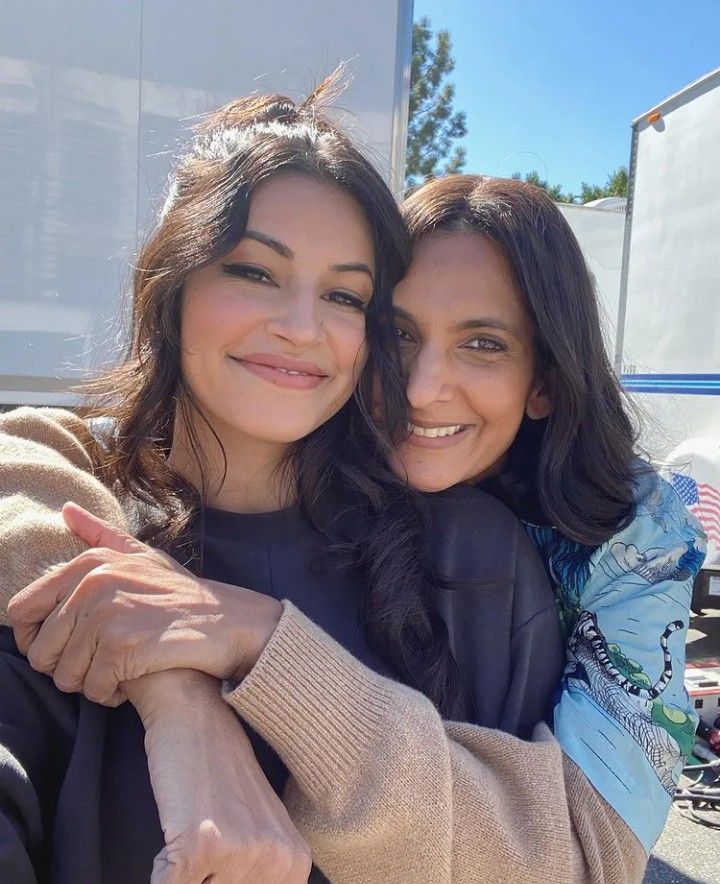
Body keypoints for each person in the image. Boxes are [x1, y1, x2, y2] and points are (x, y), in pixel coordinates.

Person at [0, 86, 564, 883]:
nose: (302, 326)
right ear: (173, 284)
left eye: (343, 295)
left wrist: (271, 653)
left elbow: (545, 859)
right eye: (255, 272)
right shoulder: (58, 532)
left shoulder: (471, 559)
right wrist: (182, 699)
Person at [390, 173, 706, 859]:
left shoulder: (633, 530)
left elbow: (594, 847)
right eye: (398, 333)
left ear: (544, 383)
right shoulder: (317, 454)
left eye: (482, 344)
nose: (418, 389)